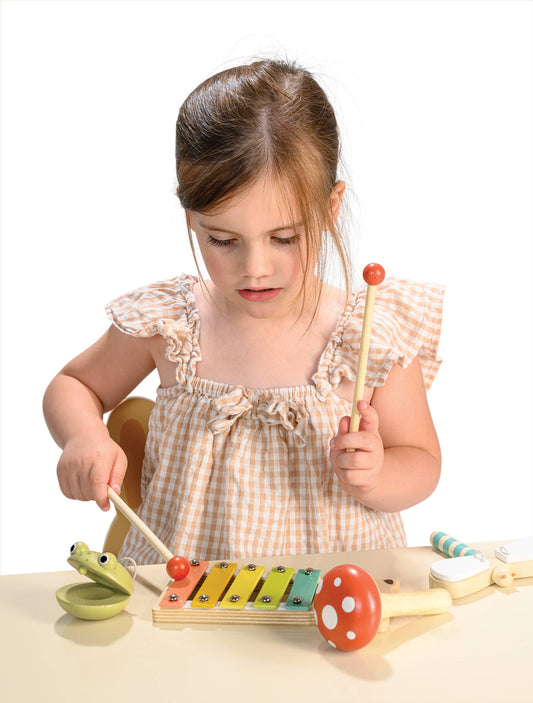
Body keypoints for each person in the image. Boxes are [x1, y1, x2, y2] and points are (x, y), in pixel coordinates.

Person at [43, 58, 444, 564]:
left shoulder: (369, 333)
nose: (256, 268)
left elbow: (423, 460)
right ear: (192, 218)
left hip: (329, 604)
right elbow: (73, 385)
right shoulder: (173, 324)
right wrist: (83, 435)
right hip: (187, 606)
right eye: (224, 240)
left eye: (283, 237)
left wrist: (380, 476)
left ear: (329, 208)